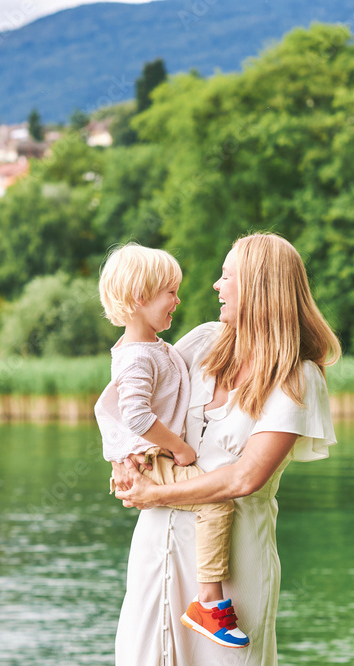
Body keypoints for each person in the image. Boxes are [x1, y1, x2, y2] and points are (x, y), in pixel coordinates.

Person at [112, 233, 341, 665]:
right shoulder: (202, 342)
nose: (216, 285)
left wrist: (153, 494)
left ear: (258, 287)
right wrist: (122, 457)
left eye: (226, 275)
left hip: (231, 572)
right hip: (155, 550)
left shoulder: (297, 378)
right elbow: (133, 398)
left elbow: (245, 477)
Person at [95, 243, 251, 649]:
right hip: (154, 457)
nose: (178, 301)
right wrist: (180, 449)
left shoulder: (158, 348)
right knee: (216, 500)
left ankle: (206, 599)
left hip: (153, 455)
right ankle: (209, 602)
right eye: (170, 292)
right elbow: (135, 416)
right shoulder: (136, 357)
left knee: (214, 497)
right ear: (139, 299)